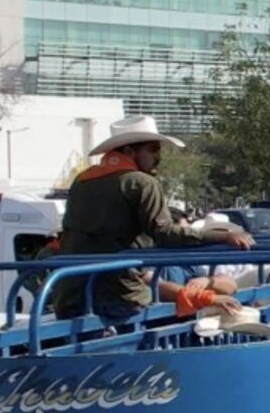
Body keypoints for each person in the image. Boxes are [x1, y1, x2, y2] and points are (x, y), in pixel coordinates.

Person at [51, 116, 252, 319]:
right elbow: (164, 233)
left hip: (71, 295)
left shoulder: (82, 180)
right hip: (121, 295)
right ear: (130, 151)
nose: (158, 156)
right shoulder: (142, 183)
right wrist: (223, 236)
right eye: (152, 149)